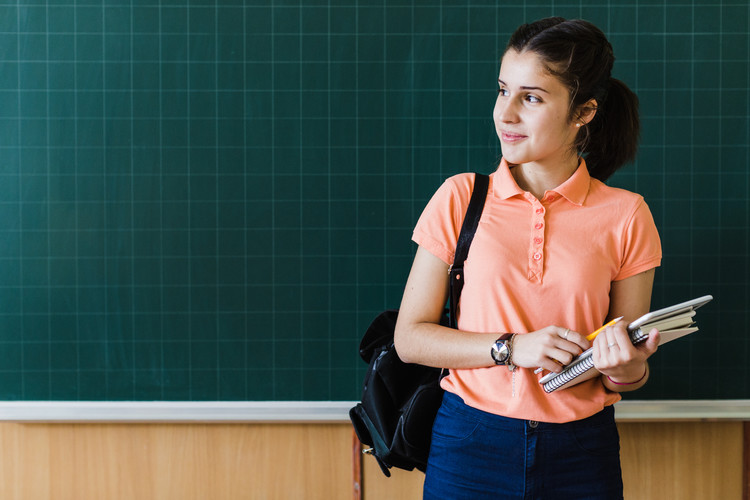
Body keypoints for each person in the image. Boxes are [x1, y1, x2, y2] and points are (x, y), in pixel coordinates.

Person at [393, 17, 662, 499]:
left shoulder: (626, 214)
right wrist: (512, 347)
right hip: (469, 442)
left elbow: (629, 365)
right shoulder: (460, 197)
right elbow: (410, 339)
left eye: (532, 97)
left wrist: (627, 366)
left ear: (584, 112)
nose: (506, 114)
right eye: (503, 91)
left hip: (581, 449)